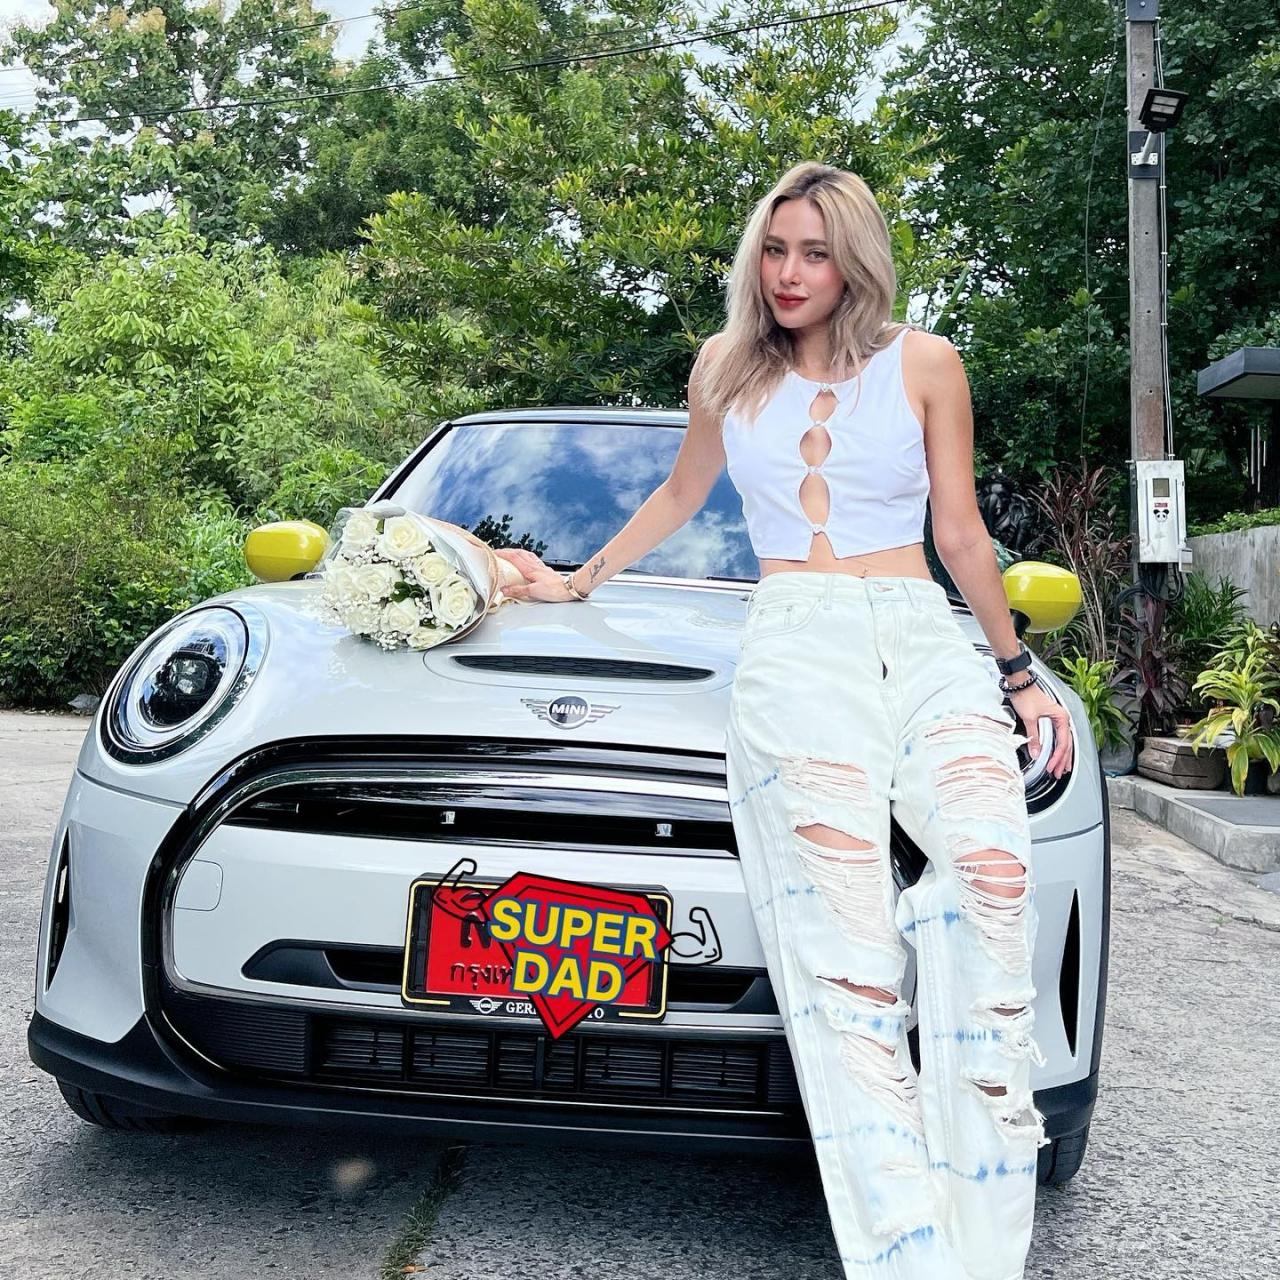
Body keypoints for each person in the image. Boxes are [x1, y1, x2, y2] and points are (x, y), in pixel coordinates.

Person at [494, 160, 1074, 1280]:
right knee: (848, 963)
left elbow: (959, 531)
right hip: (796, 642)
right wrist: (576, 579)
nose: (790, 272)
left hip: (920, 634)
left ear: (854, 262)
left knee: (992, 887)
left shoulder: (925, 362)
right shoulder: (725, 366)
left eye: (815, 252)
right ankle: (911, 1262)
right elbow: (680, 493)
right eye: (774, 249)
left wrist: (1014, 671)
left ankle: (983, 1244)